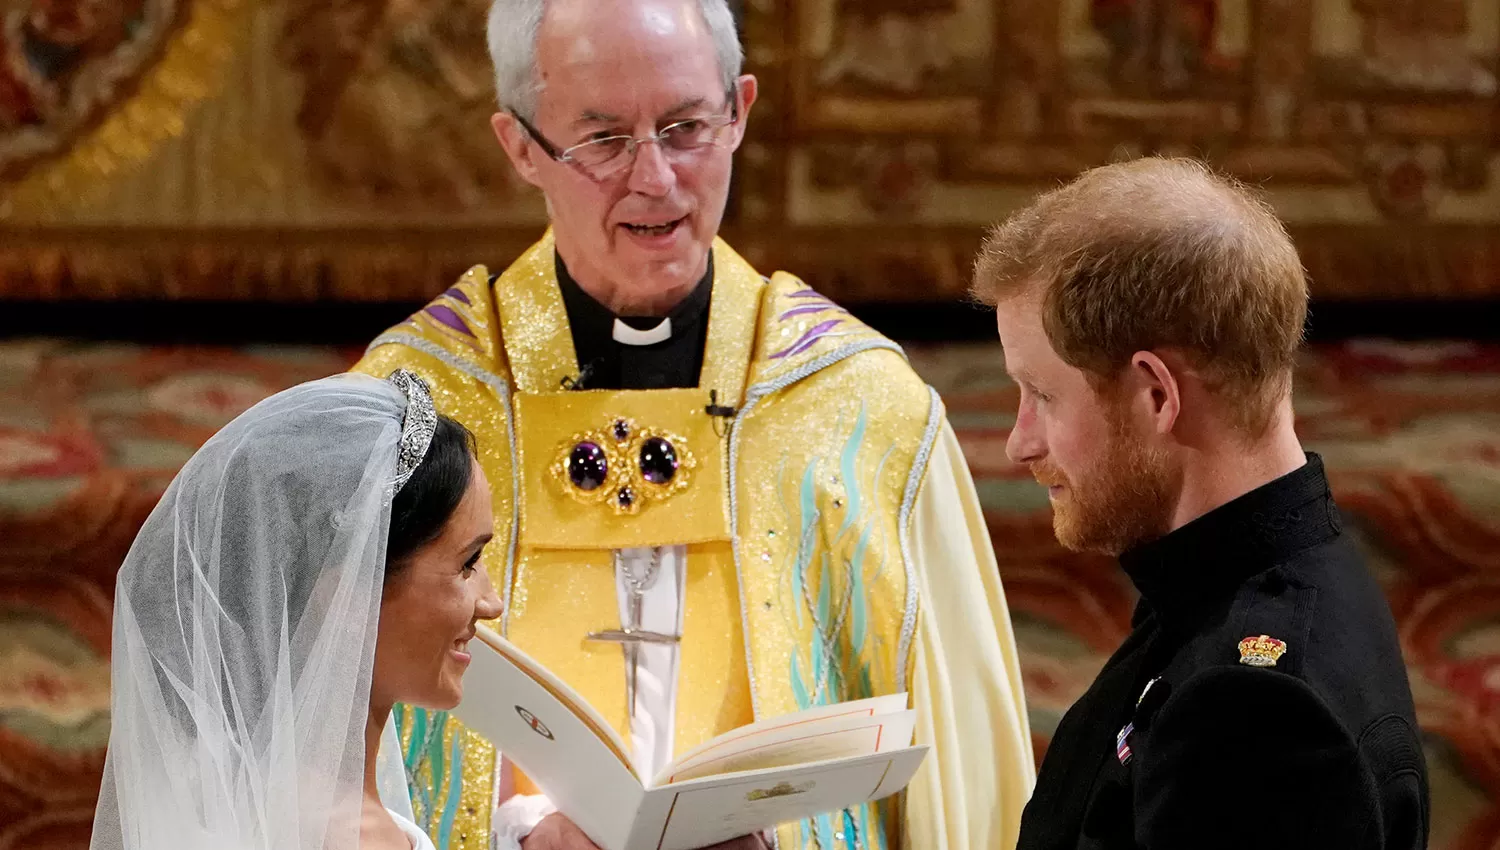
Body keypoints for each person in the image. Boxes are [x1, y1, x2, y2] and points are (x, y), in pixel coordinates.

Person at [350, 0, 1034, 847]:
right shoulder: (411, 409)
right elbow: (327, 738)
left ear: (741, 111)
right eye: (604, 140)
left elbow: (959, 780)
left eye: (685, 128)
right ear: (520, 146)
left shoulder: (858, 411)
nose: (657, 179)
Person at [972, 157, 1429, 850]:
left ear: (1157, 393)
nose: (1018, 444)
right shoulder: (1234, 593)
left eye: (1041, 395)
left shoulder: (1252, 718)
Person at [90, 370, 503, 850]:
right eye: (468, 563)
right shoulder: (347, 837)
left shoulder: (236, 791)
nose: (492, 603)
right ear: (349, 592)